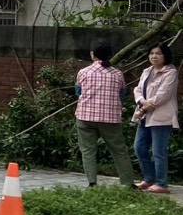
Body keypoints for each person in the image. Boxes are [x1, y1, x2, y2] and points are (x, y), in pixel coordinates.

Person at [74, 42, 134, 189]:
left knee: (88, 150)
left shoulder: (83, 72)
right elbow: (122, 94)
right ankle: (128, 183)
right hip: (111, 118)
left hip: (85, 116)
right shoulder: (117, 74)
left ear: (92, 54)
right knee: (119, 150)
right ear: (110, 55)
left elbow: (78, 92)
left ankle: (92, 183)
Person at [133, 42, 178, 194]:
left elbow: (163, 95)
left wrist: (145, 106)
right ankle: (149, 178)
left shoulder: (170, 72)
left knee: (158, 151)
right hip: (144, 115)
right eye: (152, 53)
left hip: (161, 117)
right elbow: (137, 90)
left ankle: (162, 183)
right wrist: (141, 102)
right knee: (139, 148)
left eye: (158, 53)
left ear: (165, 56)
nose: (154, 56)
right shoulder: (146, 71)